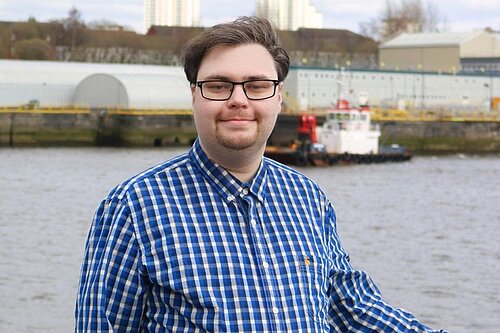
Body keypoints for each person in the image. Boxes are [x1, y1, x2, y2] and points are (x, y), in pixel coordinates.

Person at [75, 16, 446, 332]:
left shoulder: (308, 198)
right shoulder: (133, 206)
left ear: (278, 96)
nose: (239, 99)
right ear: (194, 95)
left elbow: (349, 305)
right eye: (218, 85)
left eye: (256, 86)